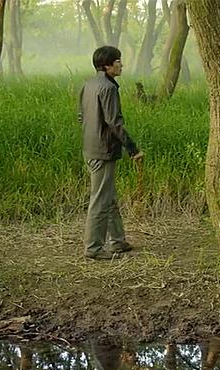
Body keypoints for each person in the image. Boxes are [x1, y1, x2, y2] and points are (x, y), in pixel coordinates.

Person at [79, 46, 144, 260]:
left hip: (90, 148)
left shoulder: (88, 85)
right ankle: (94, 248)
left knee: (108, 197)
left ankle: (117, 241)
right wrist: (132, 148)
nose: (121, 64)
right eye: (118, 61)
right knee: (100, 200)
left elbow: (82, 117)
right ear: (107, 65)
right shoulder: (108, 88)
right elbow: (114, 123)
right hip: (103, 150)